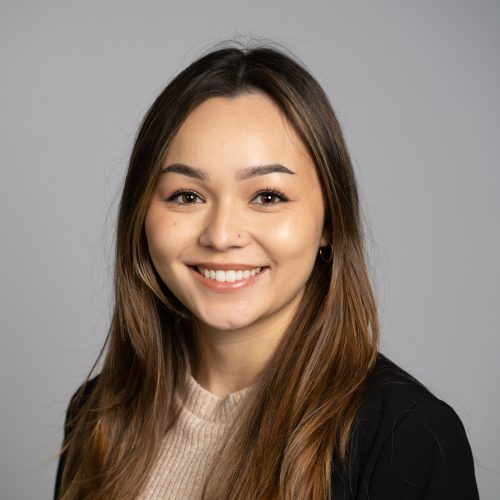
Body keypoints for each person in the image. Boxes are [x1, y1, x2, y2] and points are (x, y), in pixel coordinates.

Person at [54, 41, 479, 499]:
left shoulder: (405, 436)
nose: (221, 234)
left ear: (329, 223)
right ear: (142, 214)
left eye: (267, 197)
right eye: (187, 195)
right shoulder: (96, 414)